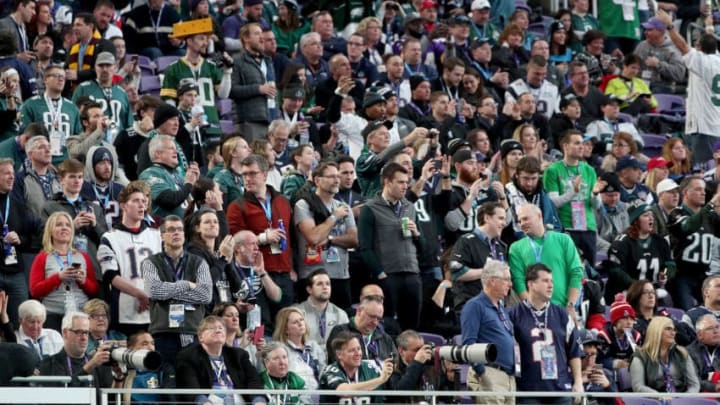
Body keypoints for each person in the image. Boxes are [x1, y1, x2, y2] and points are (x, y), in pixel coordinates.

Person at [226, 154, 295, 321]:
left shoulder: (282, 201)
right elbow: (235, 243)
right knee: (262, 326)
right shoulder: (237, 206)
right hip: (255, 274)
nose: (247, 178)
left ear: (265, 174)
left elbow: (291, 237)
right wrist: (263, 238)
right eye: (244, 175)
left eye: (252, 173)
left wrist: (293, 268)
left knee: (285, 325)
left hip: (284, 273)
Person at [358, 162, 423, 330]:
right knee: (389, 326)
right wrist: (381, 274)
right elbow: (365, 248)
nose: (405, 186)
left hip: (412, 273)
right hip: (388, 275)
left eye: (407, 182)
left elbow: (422, 246)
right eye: (400, 182)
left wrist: (417, 234)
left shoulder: (410, 207)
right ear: (387, 182)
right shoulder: (370, 208)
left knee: (412, 327)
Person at [142, 215, 212, 366]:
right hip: (163, 333)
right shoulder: (150, 262)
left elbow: (206, 295)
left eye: (180, 230)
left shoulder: (199, 262)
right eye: (171, 230)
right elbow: (154, 291)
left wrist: (169, 292)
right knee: (168, 382)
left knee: (192, 382)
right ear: (162, 235)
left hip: (193, 332)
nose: (176, 233)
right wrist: (187, 284)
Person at [510, 263, 584, 403]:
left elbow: (574, 351)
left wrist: (578, 381)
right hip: (528, 391)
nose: (551, 285)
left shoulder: (562, 314)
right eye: (545, 281)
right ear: (531, 284)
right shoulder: (514, 315)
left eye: (552, 281)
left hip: (560, 389)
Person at [654, 10, 720, 165]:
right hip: (714, 124)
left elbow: (683, 46)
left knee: (704, 170)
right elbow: (710, 44)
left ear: (698, 47)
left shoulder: (701, 61)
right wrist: (709, 27)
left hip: (705, 127)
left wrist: (670, 26)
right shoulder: (717, 58)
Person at [96, 181, 161, 336]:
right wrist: (139, 293)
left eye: (144, 201)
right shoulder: (110, 237)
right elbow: (110, 276)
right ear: (124, 206)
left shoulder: (156, 235)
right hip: (125, 312)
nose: (141, 206)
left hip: (154, 312)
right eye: (136, 201)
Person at [294, 161, 357, 308]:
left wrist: (330, 240)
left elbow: (354, 240)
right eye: (331, 177)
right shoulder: (304, 205)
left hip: (340, 276)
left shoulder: (344, 207)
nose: (336, 180)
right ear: (317, 180)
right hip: (313, 276)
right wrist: (334, 217)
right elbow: (313, 238)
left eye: (337, 176)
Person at [41, 158, 108, 284]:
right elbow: (44, 238)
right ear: (61, 179)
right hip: (61, 268)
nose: (77, 181)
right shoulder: (50, 207)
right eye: (72, 177)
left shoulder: (94, 208)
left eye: (80, 177)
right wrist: (73, 226)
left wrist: (95, 225)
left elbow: (106, 240)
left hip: (92, 269)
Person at [29, 211, 99, 331]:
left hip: (81, 314)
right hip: (52, 314)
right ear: (50, 230)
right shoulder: (42, 257)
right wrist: (58, 277)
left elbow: (94, 290)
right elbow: (34, 291)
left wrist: (83, 281)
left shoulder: (83, 256)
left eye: (67, 225)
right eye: (59, 225)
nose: (64, 228)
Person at [460, 258, 516, 404]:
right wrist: (482, 372)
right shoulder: (474, 306)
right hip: (490, 373)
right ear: (492, 281)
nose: (510, 284)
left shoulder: (502, 309)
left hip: (508, 377)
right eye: (506, 279)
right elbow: (468, 344)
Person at [176, 315, 266, 405]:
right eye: (212, 328)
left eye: (221, 328)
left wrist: (258, 400)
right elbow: (191, 388)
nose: (218, 330)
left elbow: (254, 380)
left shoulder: (238, 355)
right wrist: (204, 403)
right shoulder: (189, 356)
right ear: (200, 337)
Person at [509, 204, 584, 313]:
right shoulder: (516, 248)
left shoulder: (563, 240)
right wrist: (532, 309)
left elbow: (576, 272)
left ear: (539, 216)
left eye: (525, 219)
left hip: (563, 309)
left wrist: (570, 305)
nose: (522, 224)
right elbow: (518, 280)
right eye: (519, 221)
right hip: (535, 312)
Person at [543, 129, 600, 265]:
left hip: (588, 228)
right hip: (565, 227)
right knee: (566, 267)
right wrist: (572, 192)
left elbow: (596, 206)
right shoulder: (553, 170)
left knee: (589, 270)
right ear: (565, 146)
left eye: (582, 143)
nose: (582, 147)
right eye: (577, 143)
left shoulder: (589, 170)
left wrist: (596, 195)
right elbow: (553, 203)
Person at [668, 176, 720, 310]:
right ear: (685, 192)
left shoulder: (711, 216)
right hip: (682, 275)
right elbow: (688, 227)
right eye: (698, 189)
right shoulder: (676, 213)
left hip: (704, 275)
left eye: (703, 189)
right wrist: (711, 204)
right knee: (687, 311)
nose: (703, 193)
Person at [39, 311, 125, 389]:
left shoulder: (98, 363)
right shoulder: (50, 363)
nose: (84, 338)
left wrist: (118, 378)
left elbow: (108, 399)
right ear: (65, 333)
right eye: (79, 332)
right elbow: (61, 395)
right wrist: (89, 367)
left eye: (86, 333)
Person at [450, 201, 507, 314]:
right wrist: (488, 271)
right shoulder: (466, 241)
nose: (504, 223)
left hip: (496, 308)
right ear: (487, 218)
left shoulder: (500, 246)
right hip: (472, 307)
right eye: (500, 218)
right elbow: (457, 272)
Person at [0, 158, 38, 326]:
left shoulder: (18, 205)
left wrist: (19, 239)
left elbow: (31, 238)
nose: (12, 177)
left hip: (15, 271)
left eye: (13, 173)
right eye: (6, 173)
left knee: (19, 321)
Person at [20, 65, 82, 167]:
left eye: (63, 77)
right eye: (56, 75)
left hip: (67, 163)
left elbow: (78, 137)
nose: (61, 79)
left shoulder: (72, 107)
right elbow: (25, 137)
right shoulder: (31, 104)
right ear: (45, 79)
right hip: (40, 163)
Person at [319, 330, 394, 405]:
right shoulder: (330, 371)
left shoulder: (371, 369)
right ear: (339, 354)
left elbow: (378, 401)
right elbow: (343, 391)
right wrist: (380, 380)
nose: (358, 353)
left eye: (359, 349)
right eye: (352, 350)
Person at [629, 316, 700, 394]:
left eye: (674, 330)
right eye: (668, 329)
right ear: (656, 331)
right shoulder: (640, 357)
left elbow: (694, 384)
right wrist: (659, 396)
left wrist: (685, 399)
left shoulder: (682, 353)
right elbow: (638, 386)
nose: (673, 333)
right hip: (653, 401)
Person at [230, 23, 276, 141]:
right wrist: (258, 89)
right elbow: (232, 90)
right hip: (249, 120)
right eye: (256, 34)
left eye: (261, 33)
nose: (262, 37)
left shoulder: (268, 61)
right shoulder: (237, 60)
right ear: (246, 38)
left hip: (270, 118)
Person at [184, 208, 235, 311]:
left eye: (215, 222)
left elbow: (237, 286)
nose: (213, 225)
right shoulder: (193, 252)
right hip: (206, 313)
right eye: (207, 222)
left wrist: (228, 261)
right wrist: (223, 259)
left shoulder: (220, 250)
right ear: (197, 228)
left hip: (224, 310)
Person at [71, 52, 133, 134]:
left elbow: (129, 124)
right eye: (101, 65)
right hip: (91, 141)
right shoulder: (83, 88)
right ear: (95, 67)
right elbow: (73, 118)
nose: (104, 69)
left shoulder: (121, 93)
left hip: (119, 142)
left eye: (108, 65)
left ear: (115, 67)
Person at [139, 135, 201, 218]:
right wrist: (189, 183)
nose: (176, 152)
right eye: (171, 148)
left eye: (175, 148)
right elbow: (169, 200)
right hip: (167, 228)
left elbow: (191, 201)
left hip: (190, 227)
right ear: (158, 153)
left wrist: (195, 182)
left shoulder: (178, 175)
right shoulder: (150, 174)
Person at [325, 295, 396, 366]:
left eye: (378, 319)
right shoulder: (340, 332)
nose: (375, 322)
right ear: (359, 311)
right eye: (372, 317)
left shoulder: (385, 339)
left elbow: (395, 368)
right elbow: (340, 365)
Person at [504, 156, 562, 242]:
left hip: (544, 242)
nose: (529, 183)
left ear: (539, 176)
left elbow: (555, 225)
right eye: (525, 178)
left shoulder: (543, 194)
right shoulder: (507, 192)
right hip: (516, 243)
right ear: (517, 175)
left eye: (533, 178)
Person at [272, 306, 326, 390]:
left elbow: (324, 373)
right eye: (295, 322)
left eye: (301, 320)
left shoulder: (314, 346)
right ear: (286, 329)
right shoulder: (279, 350)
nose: (300, 324)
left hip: (319, 394)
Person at [295, 268, 350, 347]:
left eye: (327, 284)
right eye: (320, 284)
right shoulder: (297, 313)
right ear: (309, 289)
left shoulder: (341, 314)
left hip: (333, 357)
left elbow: (346, 344)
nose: (325, 287)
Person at [64, 13, 115, 93]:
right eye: (74, 25)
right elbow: (67, 70)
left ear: (90, 26)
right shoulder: (72, 48)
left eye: (79, 25)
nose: (74, 28)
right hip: (75, 92)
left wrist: (78, 75)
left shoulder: (105, 45)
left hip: (98, 91)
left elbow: (105, 69)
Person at [633, 17, 686, 93]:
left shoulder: (672, 49)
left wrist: (658, 64)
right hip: (641, 85)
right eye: (646, 29)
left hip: (663, 87)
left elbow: (679, 74)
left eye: (649, 30)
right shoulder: (642, 46)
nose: (645, 32)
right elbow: (632, 66)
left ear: (660, 31)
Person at [686, 314, 720, 393]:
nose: (715, 331)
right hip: (699, 395)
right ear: (699, 335)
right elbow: (693, 381)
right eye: (710, 328)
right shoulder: (689, 352)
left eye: (717, 327)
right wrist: (714, 386)